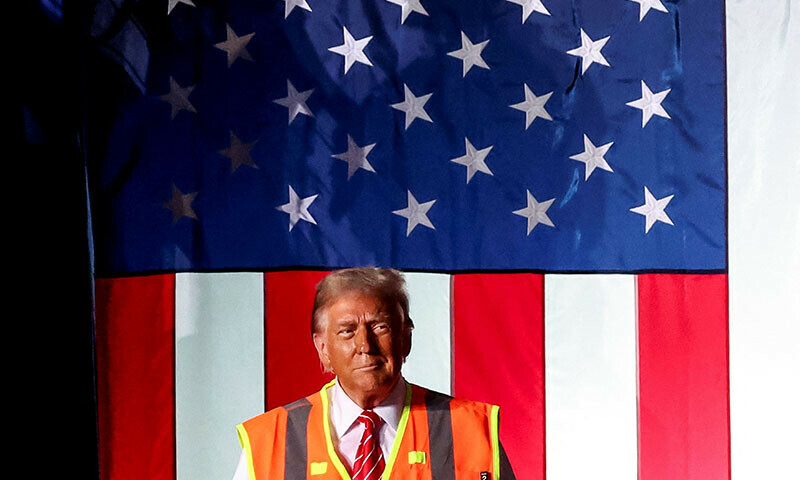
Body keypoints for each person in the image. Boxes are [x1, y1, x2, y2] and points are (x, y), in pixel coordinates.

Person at [232, 267, 516, 479]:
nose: (365, 345)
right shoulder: (267, 442)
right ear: (323, 349)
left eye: (380, 327)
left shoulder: (472, 430)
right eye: (347, 331)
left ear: (406, 338)